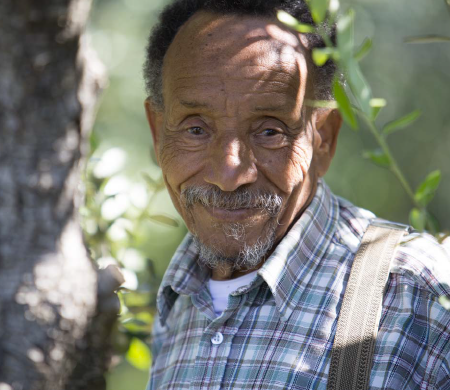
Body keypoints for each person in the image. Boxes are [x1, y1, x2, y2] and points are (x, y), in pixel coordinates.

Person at [142, 1, 450, 389]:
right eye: (195, 130)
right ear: (157, 132)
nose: (229, 175)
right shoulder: (176, 305)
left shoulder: (415, 294)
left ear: (323, 138)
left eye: (269, 131)